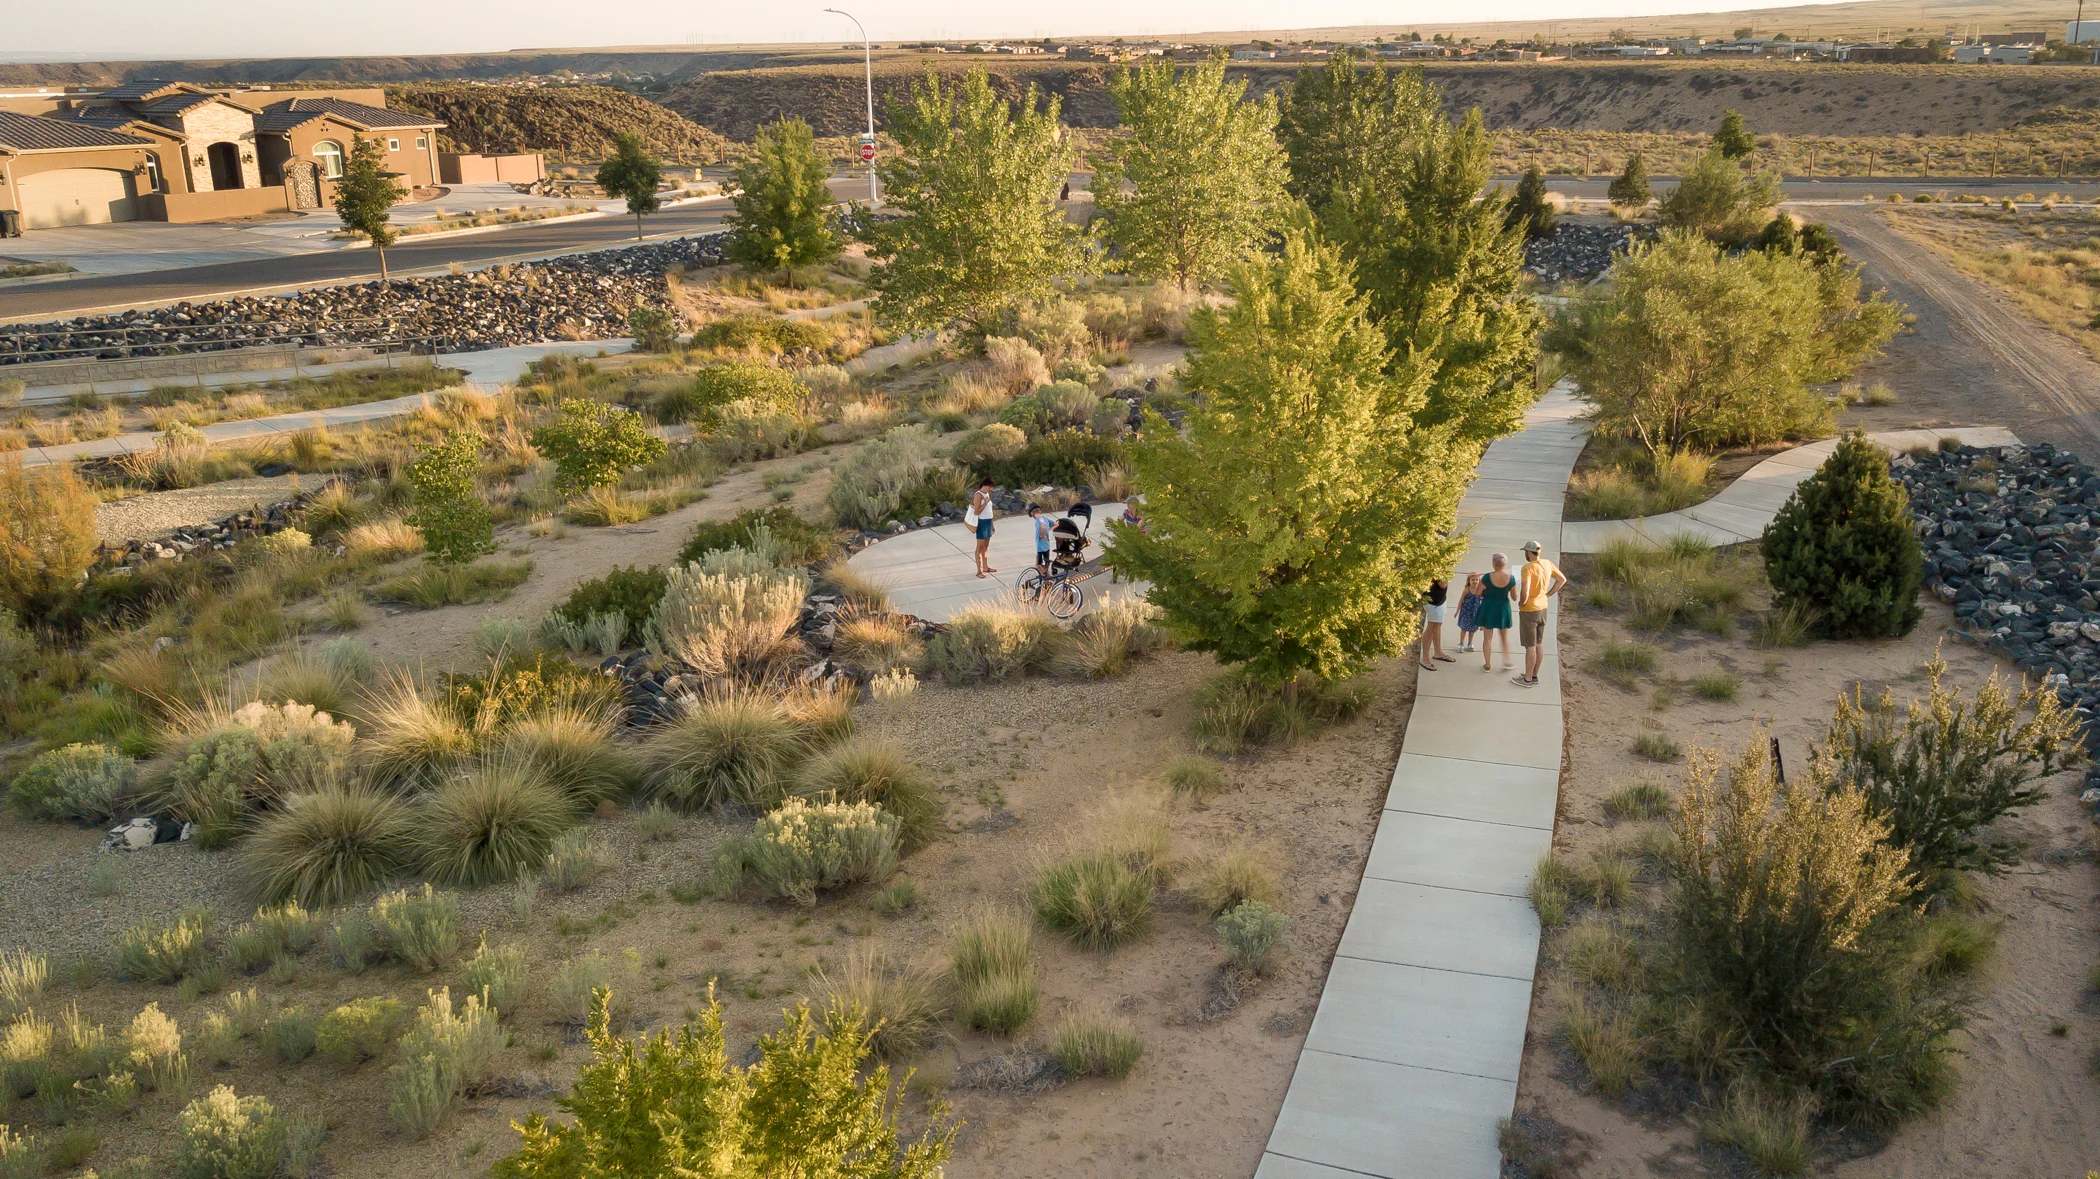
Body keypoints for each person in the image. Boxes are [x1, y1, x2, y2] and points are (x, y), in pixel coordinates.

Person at [1514, 539, 1567, 688]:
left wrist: (1522, 602)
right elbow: (1561, 580)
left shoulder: (1527, 568)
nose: (1525, 554)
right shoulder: (1547, 563)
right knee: (1539, 643)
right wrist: (1548, 594)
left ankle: (1527, 680)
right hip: (1543, 608)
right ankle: (1534, 674)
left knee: (1530, 646)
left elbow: (1525, 590)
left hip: (1529, 610)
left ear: (1528, 552)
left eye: (1525, 551)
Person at [1474, 554, 1517, 672]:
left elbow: (1477, 593)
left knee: (1487, 638)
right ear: (1505, 564)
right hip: (1503, 608)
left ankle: (1487, 664)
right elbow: (1514, 597)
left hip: (1488, 608)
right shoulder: (1511, 578)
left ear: (1493, 563)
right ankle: (1507, 661)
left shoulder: (1486, 577)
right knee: (1504, 637)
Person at [1419, 578, 1454, 671]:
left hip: (1440, 599)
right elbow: (1443, 584)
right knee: (1431, 628)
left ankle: (1438, 653)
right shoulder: (1439, 571)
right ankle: (1425, 659)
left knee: (1437, 625)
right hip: (1433, 602)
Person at [966, 479, 997, 579]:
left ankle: (985, 566)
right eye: (991, 487)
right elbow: (976, 511)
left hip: (988, 522)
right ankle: (979, 570)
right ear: (986, 485)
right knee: (979, 547)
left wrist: (992, 525)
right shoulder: (978, 495)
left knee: (986, 546)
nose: (991, 489)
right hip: (981, 523)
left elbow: (989, 511)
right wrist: (985, 503)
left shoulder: (987, 494)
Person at [1455, 573, 1484, 653]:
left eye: (1477, 580)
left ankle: (1470, 643)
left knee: (1472, 629)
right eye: (1473, 580)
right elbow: (1461, 600)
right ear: (1469, 581)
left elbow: (1484, 600)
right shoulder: (1467, 590)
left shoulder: (1481, 590)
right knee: (1464, 628)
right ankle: (1461, 643)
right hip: (1465, 612)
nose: (1475, 581)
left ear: (1479, 581)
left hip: (1475, 613)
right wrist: (1457, 610)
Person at [1030, 503, 1054, 572]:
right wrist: (1049, 529)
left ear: (1032, 513)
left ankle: (1044, 575)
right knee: (1046, 565)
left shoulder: (1039, 519)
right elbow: (1056, 524)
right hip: (1046, 545)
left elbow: (1043, 527)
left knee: (1038, 564)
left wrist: (1042, 536)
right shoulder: (1044, 518)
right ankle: (1047, 577)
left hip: (1041, 546)